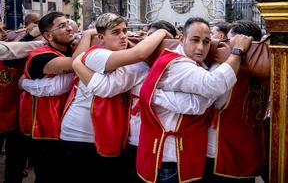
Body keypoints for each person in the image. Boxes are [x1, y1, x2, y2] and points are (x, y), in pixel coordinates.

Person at [58, 13, 173, 183]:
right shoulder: (96, 54)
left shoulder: (122, 58)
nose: (123, 36)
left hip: (102, 135)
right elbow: (140, 54)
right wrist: (161, 32)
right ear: (101, 37)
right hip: (80, 135)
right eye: (116, 32)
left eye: (125, 31)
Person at [136, 17, 252, 183]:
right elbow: (214, 86)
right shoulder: (179, 64)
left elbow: (197, 105)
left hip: (174, 158)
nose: (201, 47)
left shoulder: (191, 63)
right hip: (169, 161)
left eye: (206, 42)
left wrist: (158, 96)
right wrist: (237, 51)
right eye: (195, 40)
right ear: (182, 39)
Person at [18, 11, 91, 183]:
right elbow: (74, 63)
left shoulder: (72, 48)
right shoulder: (39, 56)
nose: (69, 28)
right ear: (48, 35)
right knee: (49, 176)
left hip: (68, 130)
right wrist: (88, 34)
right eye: (62, 26)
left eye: (67, 23)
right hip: (44, 132)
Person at [202, 20, 269, 182]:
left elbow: (207, 100)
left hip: (222, 148)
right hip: (251, 149)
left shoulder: (222, 70)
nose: (223, 44)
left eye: (228, 40)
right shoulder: (266, 67)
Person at [0, 22, 28, 183]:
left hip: (16, 118)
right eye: (0, 30)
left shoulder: (17, 54)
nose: (4, 33)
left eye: (3, 29)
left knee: (15, 162)